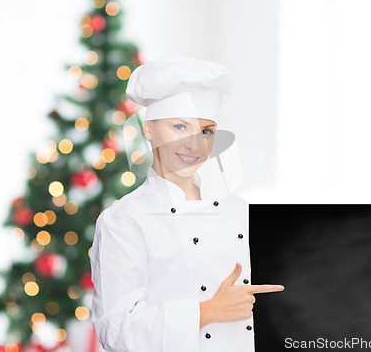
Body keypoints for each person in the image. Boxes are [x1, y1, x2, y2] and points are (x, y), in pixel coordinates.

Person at [90, 56, 285, 352]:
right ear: (149, 129)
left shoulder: (241, 211)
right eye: (180, 127)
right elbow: (117, 331)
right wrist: (208, 312)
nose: (195, 145)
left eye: (206, 131)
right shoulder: (124, 221)